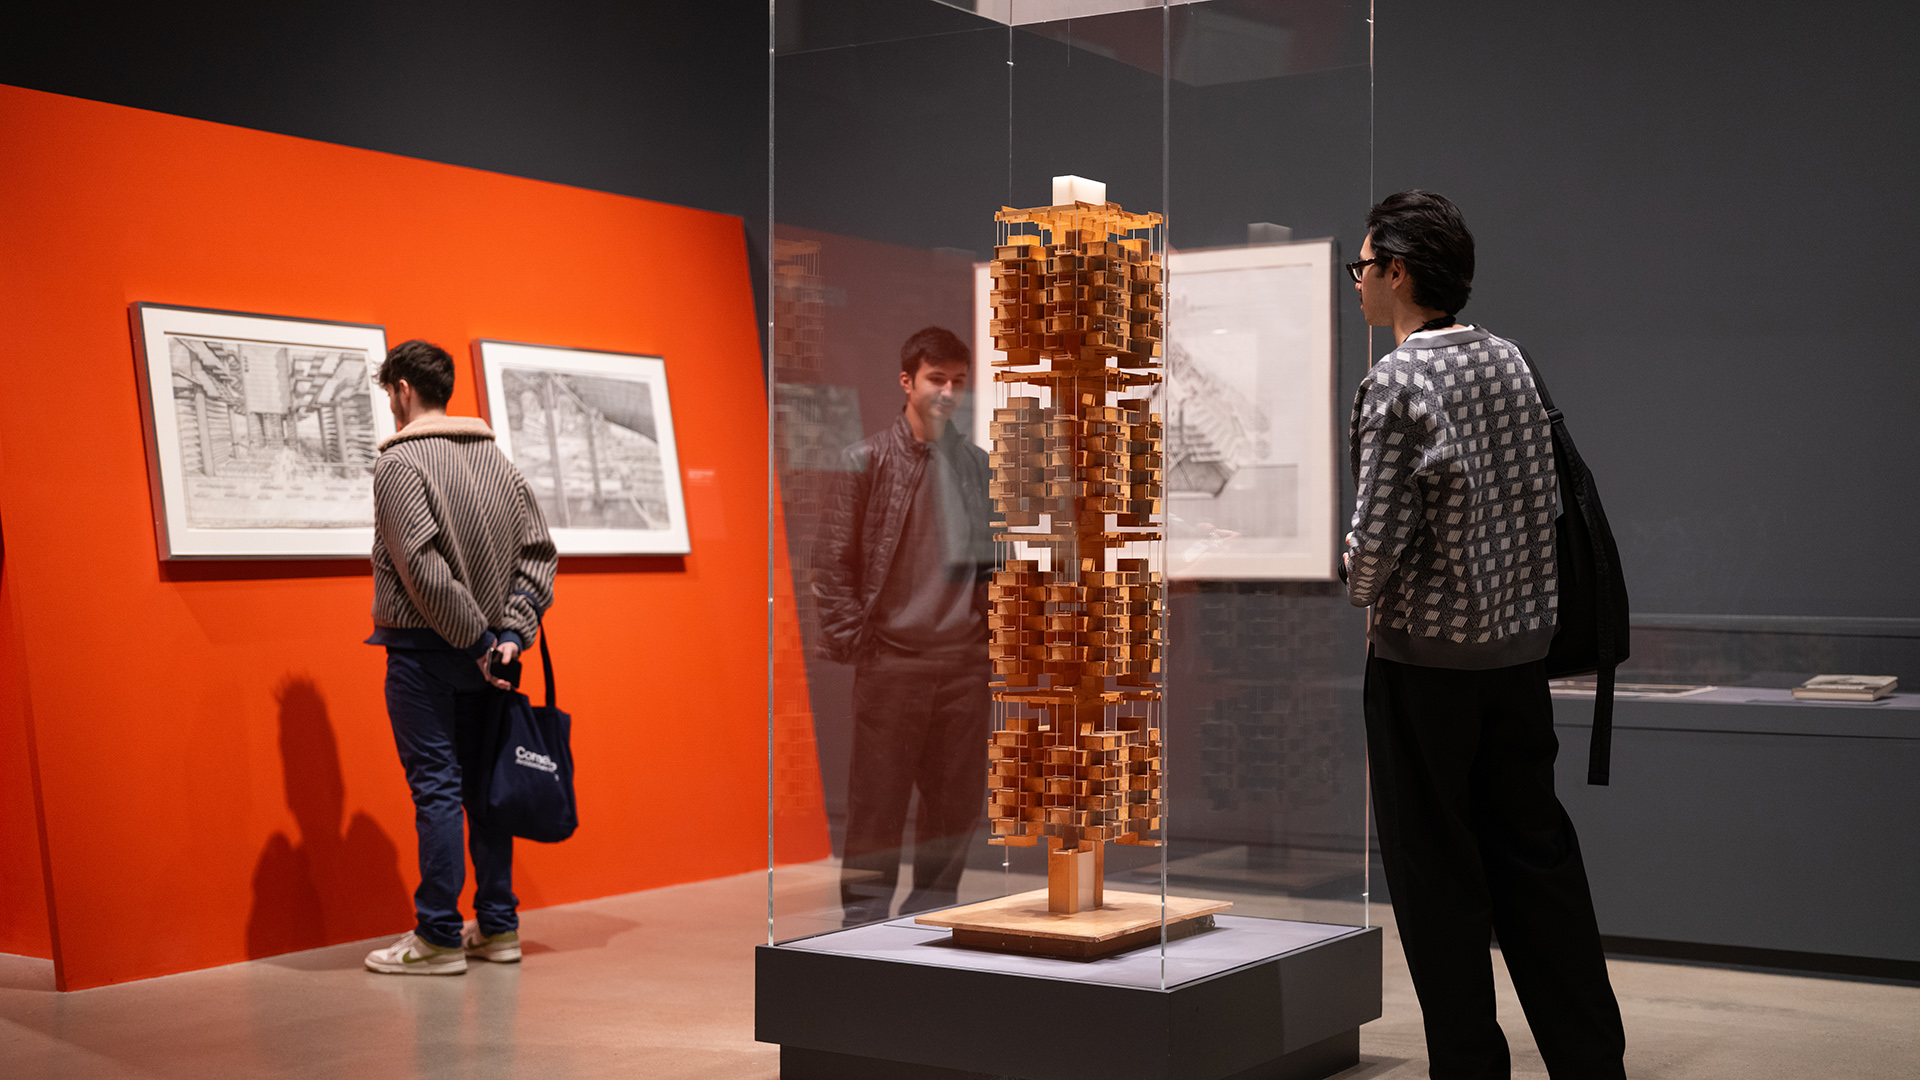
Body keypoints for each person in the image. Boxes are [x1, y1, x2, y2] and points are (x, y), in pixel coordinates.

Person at [1345, 191, 1627, 1078]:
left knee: (1438, 886)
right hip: (1517, 666)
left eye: (1361, 268)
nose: (1356, 285)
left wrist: (1350, 570)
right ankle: (1592, 1062)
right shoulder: (1511, 360)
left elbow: (1371, 556)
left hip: (1423, 673)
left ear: (1396, 270)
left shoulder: (1397, 380)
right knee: (1537, 866)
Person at [361, 339, 557, 976]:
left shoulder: (399, 466)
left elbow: (420, 567)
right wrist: (506, 636)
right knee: (486, 791)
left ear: (401, 391)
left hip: (424, 657)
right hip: (492, 657)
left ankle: (440, 935)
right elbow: (539, 556)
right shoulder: (499, 462)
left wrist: (476, 641)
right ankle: (498, 928)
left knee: (438, 793)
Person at [815, 327, 994, 927]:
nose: (947, 392)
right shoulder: (866, 461)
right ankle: (863, 923)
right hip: (893, 662)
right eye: (935, 379)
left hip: (964, 665)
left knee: (954, 807)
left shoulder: (975, 467)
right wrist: (859, 643)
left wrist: (990, 642)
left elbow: (998, 564)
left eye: (958, 382)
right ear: (906, 381)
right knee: (876, 807)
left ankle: (933, 913)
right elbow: (833, 561)